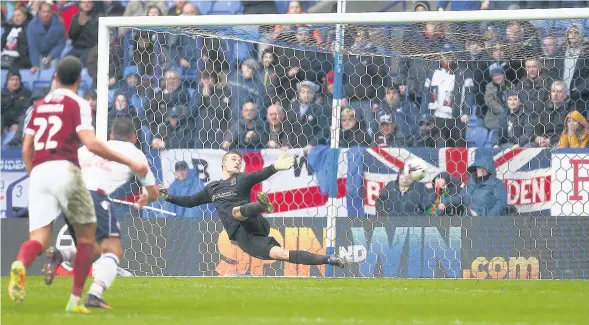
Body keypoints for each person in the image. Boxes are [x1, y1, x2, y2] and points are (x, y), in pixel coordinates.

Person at [8, 56, 148, 313]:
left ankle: (20, 264)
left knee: (38, 239)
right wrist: (129, 160)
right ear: (80, 80)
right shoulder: (79, 104)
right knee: (87, 239)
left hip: (38, 172)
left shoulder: (38, 106)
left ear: (56, 78)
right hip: (65, 171)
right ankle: (75, 299)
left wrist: (34, 174)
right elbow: (93, 144)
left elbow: (26, 147)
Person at [42, 117, 159, 309]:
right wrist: (146, 198)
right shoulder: (134, 153)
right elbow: (153, 191)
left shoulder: (92, 147)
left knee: (93, 250)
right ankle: (94, 295)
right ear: (134, 138)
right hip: (93, 196)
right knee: (113, 251)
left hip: (68, 197)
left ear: (111, 134)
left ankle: (60, 255)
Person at [157, 151, 345, 268]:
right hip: (244, 237)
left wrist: (275, 167)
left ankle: (261, 206)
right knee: (282, 254)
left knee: (236, 212)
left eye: (239, 160)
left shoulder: (242, 179)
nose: (238, 162)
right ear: (223, 163)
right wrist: (168, 196)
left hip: (255, 222)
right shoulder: (212, 188)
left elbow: (258, 174)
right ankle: (329, 259)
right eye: (233, 159)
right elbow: (190, 201)